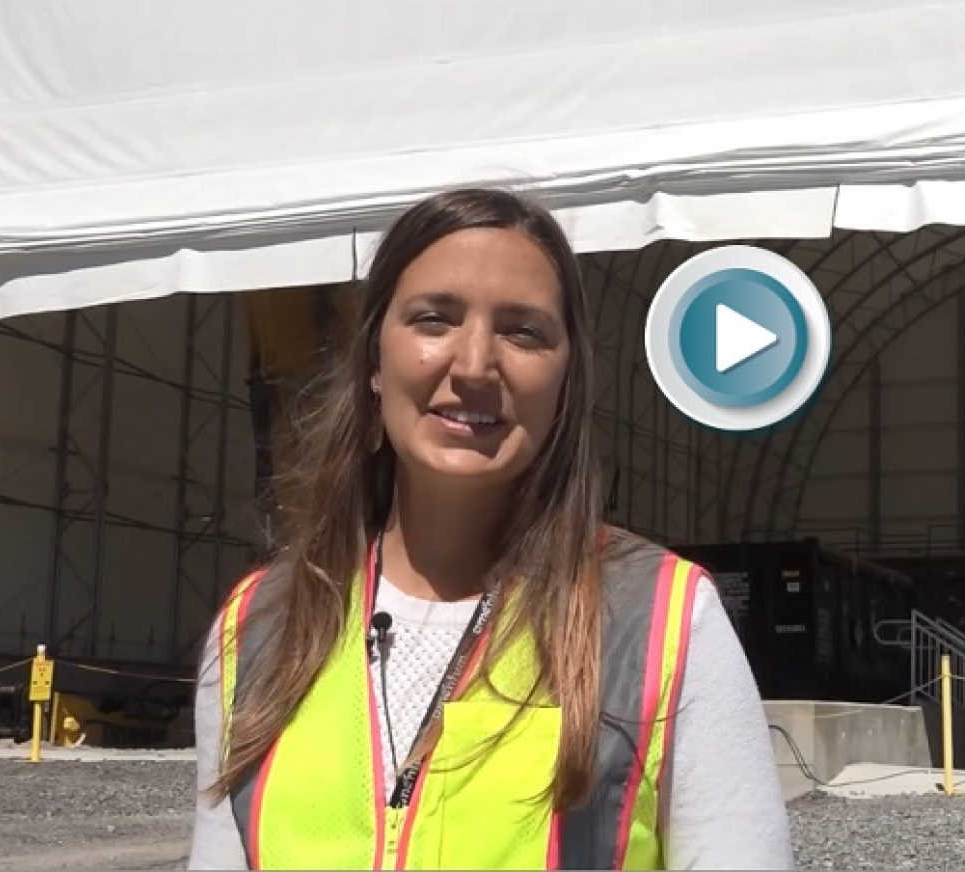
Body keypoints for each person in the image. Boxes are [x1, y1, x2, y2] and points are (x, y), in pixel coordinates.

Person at [188, 188, 794, 870]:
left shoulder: (664, 625)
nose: (474, 364)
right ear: (373, 363)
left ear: (567, 382)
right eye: (433, 319)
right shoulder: (257, 631)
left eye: (523, 331)